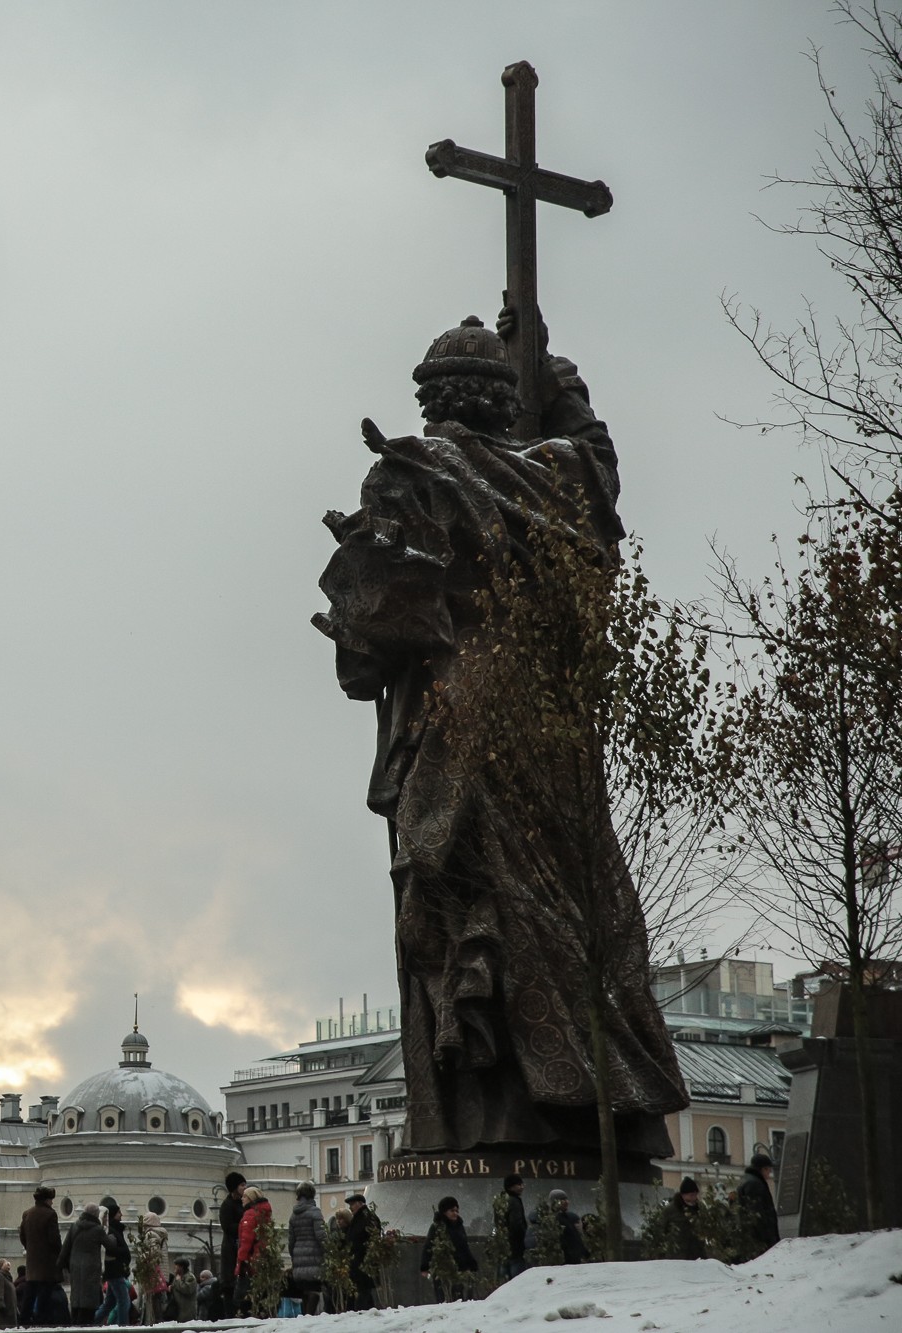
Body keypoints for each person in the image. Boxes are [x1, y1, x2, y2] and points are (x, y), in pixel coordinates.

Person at [314, 307, 689, 1167]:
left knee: (461, 895)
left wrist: (358, 599)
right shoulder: (555, 474)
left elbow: (376, 632)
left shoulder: (410, 473)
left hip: (456, 709)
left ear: (432, 401)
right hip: (549, 717)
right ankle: (598, 1106)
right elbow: (599, 462)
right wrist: (555, 374)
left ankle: (486, 1106)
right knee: (571, 896)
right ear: (504, 401)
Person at [18, 1187, 64, 1327]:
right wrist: (60, 1255)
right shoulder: (50, 1214)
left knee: (30, 1293)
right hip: (47, 1262)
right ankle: (42, 1321)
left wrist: (30, 1249)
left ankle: (24, 1321)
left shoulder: (27, 1214)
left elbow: (22, 1236)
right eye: (51, 1199)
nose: (52, 1202)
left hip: (32, 1261)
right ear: (46, 1200)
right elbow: (54, 1239)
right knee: (45, 1294)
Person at [416, 1198, 478, 1302]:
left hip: (459, 1268)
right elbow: (428, 1246)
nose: (455, 1213)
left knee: (458, 1296)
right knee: (444, 1296)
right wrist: (425, 1266)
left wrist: (471, 1263)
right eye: (452, 1211)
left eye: (456, 1211)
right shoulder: (437, 1227)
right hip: (443, 1268)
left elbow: (464, 1247)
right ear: (444, 1212)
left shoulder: (459, 1226)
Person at [286, 1183, 325, 1315]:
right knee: (314, 1291)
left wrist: (294, 1257)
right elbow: (321, 1236)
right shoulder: (315, 1212)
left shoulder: (293, 1215)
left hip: (298, 1258)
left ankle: (304, 1317)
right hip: (314, 1257)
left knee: (304, 1292)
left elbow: (291, 1241)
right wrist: (328, 1251)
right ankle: (308, 1317)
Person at [91, 1202, 130, 1327]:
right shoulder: (110, 1231)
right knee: (124, 1301)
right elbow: (111, 1249)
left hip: (114, 1270)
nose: (121, 1215)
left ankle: (91, 1323)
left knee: (109, 1303)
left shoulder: (114, 1229)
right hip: (115, 1270)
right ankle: (123, 1327)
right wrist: (123, 1252)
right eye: (119, 1212)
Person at [235, 1188, 272, 1311]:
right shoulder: (264, 1213)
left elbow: (246, 1240)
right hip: (261, 1257)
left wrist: (241, 1261)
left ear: (251, 1199)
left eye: (245, 1196)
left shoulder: (250, 1214)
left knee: (242, 1298)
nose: (242, 1199)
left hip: (251, 1260)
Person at [738, 1153, 780, 1255]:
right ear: (763, 1169)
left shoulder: (747, 1180)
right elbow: (757, 1213)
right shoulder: (755, 1184)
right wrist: (767, 1237)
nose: (769, 1173)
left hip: (752, 1237)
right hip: (760, 1239)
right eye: (769, 1170)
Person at [342, 1195, 377, 1312]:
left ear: (360, 1204)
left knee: (363, 1292)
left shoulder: (367, 1218)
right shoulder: (357, 1219)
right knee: (363, 1292)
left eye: (352, 1204)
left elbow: (370, 1238)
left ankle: (362, 1313)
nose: (350, 1208)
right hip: (357, 1262)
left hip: (363, 1261)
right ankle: (370, 1313)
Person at [216, 1173, 245, 1297]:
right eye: (242, 1185)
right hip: (231, 1247)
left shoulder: (243, 1203)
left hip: (241, 1244)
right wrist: (244, 1226)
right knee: (230, 1282)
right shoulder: (227, 1205)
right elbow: (227, 1227)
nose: (244, 1187)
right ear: (234, 1187)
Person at [541, 1191, 587, 1265]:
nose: (566, 1202)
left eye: (566, 1199)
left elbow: (576, 1239)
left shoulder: (568, 1218)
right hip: (566, 1261)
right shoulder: (554, 1220)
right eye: (562, 1200)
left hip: (575, 1259)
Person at [666, 1178, 706, 1260]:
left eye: (695, 1194)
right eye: (691, 1195)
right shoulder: (672, 1209)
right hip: (678, 1255)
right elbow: (663, 1228)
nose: (694, 1198)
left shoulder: (700, 1207)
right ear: (683, 1195)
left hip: (697, 1253)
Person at [500, 1176, 529, 1279]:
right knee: (518, 1277)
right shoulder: (514, 1201)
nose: (522, 1187)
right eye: (519, 1184)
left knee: (505, 1277)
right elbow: (516, 1224)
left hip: (505, 1246)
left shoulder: (502, 1201)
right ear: (511, 1187)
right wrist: (524, 1238)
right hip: (516, 1246)